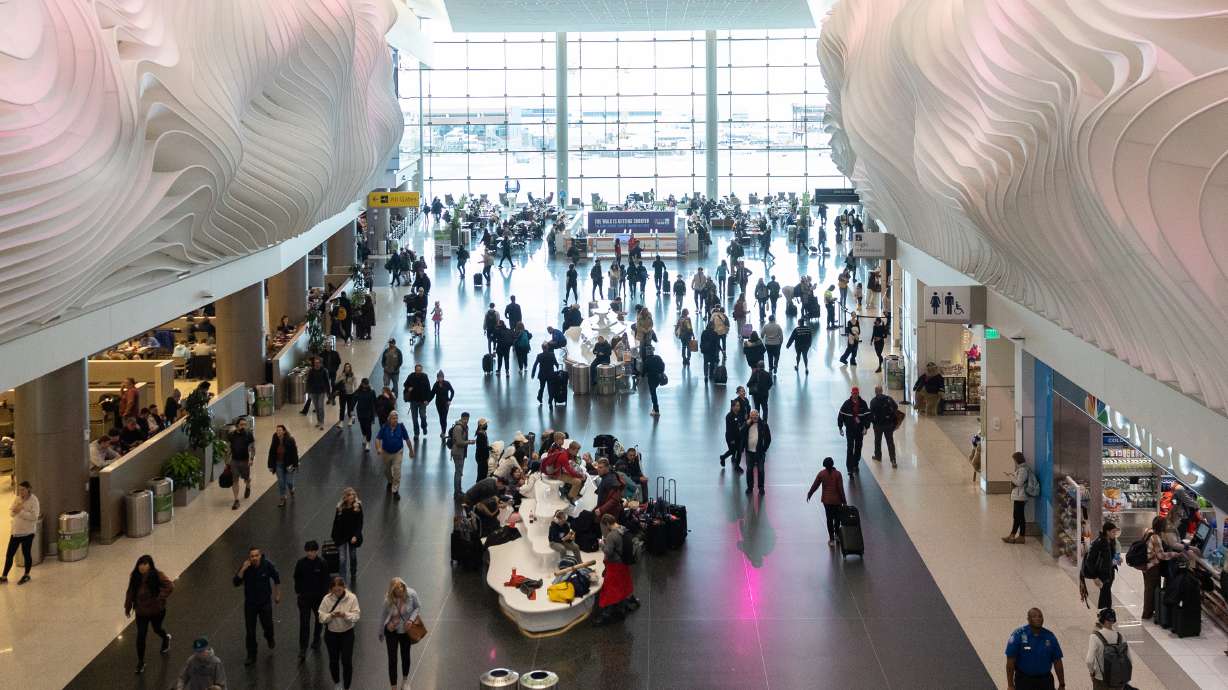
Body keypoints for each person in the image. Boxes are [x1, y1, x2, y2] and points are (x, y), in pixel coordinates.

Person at [125, 554, 174, 673]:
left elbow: (170, 585)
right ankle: (140, 662)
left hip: (156, 611)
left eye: (144, 564)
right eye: (140, 564)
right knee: (141, 636)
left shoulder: (157, 575)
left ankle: (165, 638)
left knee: (157, 629)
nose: (141, 567)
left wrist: (160, 597)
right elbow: (130, 591)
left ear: (150, 565)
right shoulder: (135, 577)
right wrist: (128, 606)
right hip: (141, 612)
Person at [232, 547, 280, 665]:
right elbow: (236, 582)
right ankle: (251, 655)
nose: (254, 558)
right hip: (250, 604)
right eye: (252, 556)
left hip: (265, 602)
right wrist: (243, 569)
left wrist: (278, 594)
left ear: (260, 555)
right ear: (249, 557)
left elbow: (276, 579)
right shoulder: (246, 567)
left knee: (268, 625)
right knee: (250, 631)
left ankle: (269, 637)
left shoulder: (267, 565)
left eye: (256, 555)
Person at [1006, 608, 1066, 690]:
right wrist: (1010, 685)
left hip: (1045, 681)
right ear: (1028, 619)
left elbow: (1057, 661)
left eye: (1040, 616)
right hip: (1024, 681)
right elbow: (1010, 661)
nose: (1038, 618)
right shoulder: (1018, 635)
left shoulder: (1050, 637)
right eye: (1034, 616)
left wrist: (1062, 684)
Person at [317, 576, 360, 690]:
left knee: (347, 661)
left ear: (344, 588)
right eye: (334, 591)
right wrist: (330, 615)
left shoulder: (352, 598)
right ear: (331, 590)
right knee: (333, 660)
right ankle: (337, 683)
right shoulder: (326, 599)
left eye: (339, 590)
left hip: (347, 634)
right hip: (331, 634)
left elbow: (356, 616)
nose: (337, 593)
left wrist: (345, 615)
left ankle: (347, 687)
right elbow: (321, 617)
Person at [594, 513, 636, 625]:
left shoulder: (612, 535)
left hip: (615, 566)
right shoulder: (622, 528)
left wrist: (602, 544)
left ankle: (607, 613)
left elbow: (609, 552)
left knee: (610, 588)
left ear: (607, 523)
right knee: (622, 586)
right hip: (624, 563)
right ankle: (621, 608)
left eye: (604, 526)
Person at [380, 577, 422, 690]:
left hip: (405, 631)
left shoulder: (412, 594)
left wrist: (411, 620)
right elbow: (383, 616)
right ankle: (393, 686)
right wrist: (382, 630)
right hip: (391, 631)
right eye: (397, 593)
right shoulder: (388, 600)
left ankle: (405, 681)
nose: (400, 595)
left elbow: (417, 607)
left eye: (401, 592)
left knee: (405, 655)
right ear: (392, 592)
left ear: (404, 588)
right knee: (392, 659)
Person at [293, 540, 330, 660]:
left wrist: (325, 597)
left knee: (319, 619)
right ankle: (303, 648)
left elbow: (326, 581)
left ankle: (316, 638)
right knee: (304, 623)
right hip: (304, 598)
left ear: (316, 551)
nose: (310, 553)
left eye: (312, 551)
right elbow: (296, 577)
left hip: (318, 598)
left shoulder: (322, 563)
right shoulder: (301, 563)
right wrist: (298, 591)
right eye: (308, 551)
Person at [806, 458, 847, 546]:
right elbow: (841, 489)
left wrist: (810, 493)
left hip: (826, 501)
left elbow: (815, 485)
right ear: (832, 464)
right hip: (837, 501)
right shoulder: (838, 474)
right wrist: (844, 500)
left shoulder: (822, 474)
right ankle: (837, 536)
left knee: (829, 519)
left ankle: (831, 539)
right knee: (837, 518)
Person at [1086, 608, 1130, 690]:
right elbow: (1129, 660)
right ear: (1114, 620)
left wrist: (1092, 672)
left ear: (1101, 620)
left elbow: (1089, 660)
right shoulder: (1121, 637)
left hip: (1100, 679)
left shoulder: (1095, 637)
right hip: (1117, 680)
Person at [1082, 522, 1121, 611]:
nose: (1115, 534)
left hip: (1109, 573)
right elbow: (1089, 561)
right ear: (1107, 532)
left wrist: (1116, 560)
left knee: (1106, 595)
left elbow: (1109, 557)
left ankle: (1104, 616)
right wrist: (1095, 577)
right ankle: (1104, 617)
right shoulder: (1098, 543)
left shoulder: (1110, 541)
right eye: (1113, 532)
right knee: (1105, 596)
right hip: (1102, 575)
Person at [331, 488, 364, 585]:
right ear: (345, 497)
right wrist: (334, 536)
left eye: (353, 495)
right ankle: (342, 580)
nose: (352, 497)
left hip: (352, 536)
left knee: (352, 556)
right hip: (341, 536)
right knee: (342, 559)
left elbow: (360, 523)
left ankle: (353, 572)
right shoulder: (340, 507)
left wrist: (356, 536)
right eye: (350, 495)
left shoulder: (357, 507)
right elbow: (336, 522)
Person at [837, 387, 871, 478]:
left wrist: (866, 427)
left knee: (858, 448)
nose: (855, 395)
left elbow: (868, 417)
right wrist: (840, 427)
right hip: (850, 430)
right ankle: (849, 468)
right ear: (851, 393)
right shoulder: (846, 404)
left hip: (859, 430)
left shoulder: (863, 404)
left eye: (856, 393)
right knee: (850, 448)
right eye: (853, 393)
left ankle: (856, 463)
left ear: (858, 393)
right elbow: (841, 415)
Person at [264, 424, 299, 507]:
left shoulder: (290, 440)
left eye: (280, 430)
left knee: (289, 481)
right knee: (281, 482)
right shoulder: (275, 441)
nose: (278, 432)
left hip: (288, 464)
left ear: (284, 431)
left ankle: (291, 489)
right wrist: (271, 465)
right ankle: (283, 497)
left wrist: (295, 465)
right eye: (277, 430)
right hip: (278, 464)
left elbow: (294, 453)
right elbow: (271, 453)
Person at [1003, 452, 1032, 543]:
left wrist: (1010, 477)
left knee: (1019, 516)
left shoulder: (1023, 470)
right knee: (1017, 516)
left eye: (1014, 460)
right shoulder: (1021, 469)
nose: (1014, 462)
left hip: (1020, 495)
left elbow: (1019, 483)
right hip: (1019, 495)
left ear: (1017, 460)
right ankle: (1013, 535)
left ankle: (1021, 536)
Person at [227, 417, 255, 510]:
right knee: (235, 480)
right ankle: (236, 499)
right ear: (237, 426)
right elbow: (229, 448)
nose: (243, 426)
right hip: (234, 461)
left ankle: (248, 486)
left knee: (246, 478)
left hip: (245, 461)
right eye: (241, 424)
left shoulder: (248, 434)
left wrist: (251, 458)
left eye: (245, 424)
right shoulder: (231, 435)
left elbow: (252, 447)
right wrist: (227, 461)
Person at [741, 410, 771, 495]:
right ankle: (750, 488)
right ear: (750, 417)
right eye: (752, 416)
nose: (754, 417)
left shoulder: (764, 425)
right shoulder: (747, 424)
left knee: (761, 470)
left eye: (756, 416)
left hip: (760, 453)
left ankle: (761, 488)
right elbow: (741, 432)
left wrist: (764, 449)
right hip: (749, 452)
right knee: (749, 470)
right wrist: (746, 424)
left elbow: (768, 439)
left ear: (758, 415)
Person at [869, 386, 899, 467]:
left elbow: (871, 414)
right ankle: (893, 460)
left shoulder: (873, 401)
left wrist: (873, 422)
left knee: (877, 441)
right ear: (882, 391)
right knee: (890, 442)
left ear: (875, 392)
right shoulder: (889, 399)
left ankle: (878, 456)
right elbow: (896, 407)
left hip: (878, 425)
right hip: (889, 425)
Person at [448, 412, 475, 497]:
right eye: (466, 419)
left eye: (467, 419)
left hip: (461, 452)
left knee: (459, 472)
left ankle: (459, 490)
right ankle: (457, 492)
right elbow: (459, 442)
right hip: (458, 453)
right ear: (463, 418)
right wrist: (469, 442)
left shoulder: (463, 427)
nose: (467, 420)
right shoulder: (459, 428)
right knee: (458, 473)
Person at [402, 364, 431, 437]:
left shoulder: (425, 377)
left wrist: (427, 400)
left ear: (421, 370)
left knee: (423, 416)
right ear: (415, 370)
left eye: (420, 370)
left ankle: (424, 426)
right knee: (414, 419)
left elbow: (428, 389)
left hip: (422, 401)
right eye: (417, 370)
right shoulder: (411, 376)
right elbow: (405, 384)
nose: (418, 372)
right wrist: (408, 388)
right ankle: (416, 433)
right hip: (413, 401)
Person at [301, 356, 330, 430]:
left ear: (320, 363)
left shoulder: (324, 371)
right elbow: (308, 381)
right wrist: (307, 391)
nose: (316, 364)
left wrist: (328, 392)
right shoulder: (311, 371)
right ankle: (318, 421)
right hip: (313, 392)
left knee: (320, 407)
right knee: (317, 408)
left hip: (321, 391)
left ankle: (322, 422)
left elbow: (327, 381)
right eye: (315, 363)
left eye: (318, 363)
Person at [352, 378, 377, 452]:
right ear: (362, 384)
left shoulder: (372, 392)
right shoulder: (358, 391)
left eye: (367, 384)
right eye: (364, 384)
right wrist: (351, 409)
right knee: (362, 425)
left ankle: (368, 442)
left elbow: (375, 402)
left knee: (368, 427)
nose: (366, 385)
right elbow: (354, 400)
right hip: (360, 411)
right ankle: (364, 435)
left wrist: (376, 412)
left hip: (369, 412)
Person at [720, 399, 745, 471]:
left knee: (739, 452)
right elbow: (729, 429)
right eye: (736, 406)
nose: (738, 407)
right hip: (731, 437)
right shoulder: (729, 416)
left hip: (739, 436)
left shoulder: (739, 414)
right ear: (732, 407)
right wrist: (732, 440)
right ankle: (723, 457)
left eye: (739, 406)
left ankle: (737, 466)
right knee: (732, 451)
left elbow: (740, 424)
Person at [641, 345, 666, 418]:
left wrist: (642, 376)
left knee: (653, 394)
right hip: (658, 378)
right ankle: (654, 408)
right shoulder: (658, 357)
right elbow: (663, 366)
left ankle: (656, 410)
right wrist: (660, 372)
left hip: (651, 379)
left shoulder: (647, 361)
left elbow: (643, 372)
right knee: (654, 393)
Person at [333, 363, 357, 429]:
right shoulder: (341, 375)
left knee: (350, 408)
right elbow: (336, 382)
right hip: (342, 394)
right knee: (342, 408)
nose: (347, 368)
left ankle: (350, 419)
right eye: (346, 367)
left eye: (348, 367)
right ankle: (341, 421)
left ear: (350, 368)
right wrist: (341, 379)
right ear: (344, 368)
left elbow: (355, 383)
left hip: (350, 394)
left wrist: (355, 390)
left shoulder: (352, 375)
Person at [432, 371, 455, 436]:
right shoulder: (436, 385)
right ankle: (442, 429)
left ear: (443, 377)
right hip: (438, 403)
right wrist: (427, 401)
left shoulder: (447, 383)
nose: (440, 378)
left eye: (441, 377)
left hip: (446, 403)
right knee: (441, 417)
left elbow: (452, 391)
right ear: (437, 377)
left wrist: (450, 400)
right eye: (439, 377)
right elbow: (432, 394)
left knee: (444, 417)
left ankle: (444, 431)